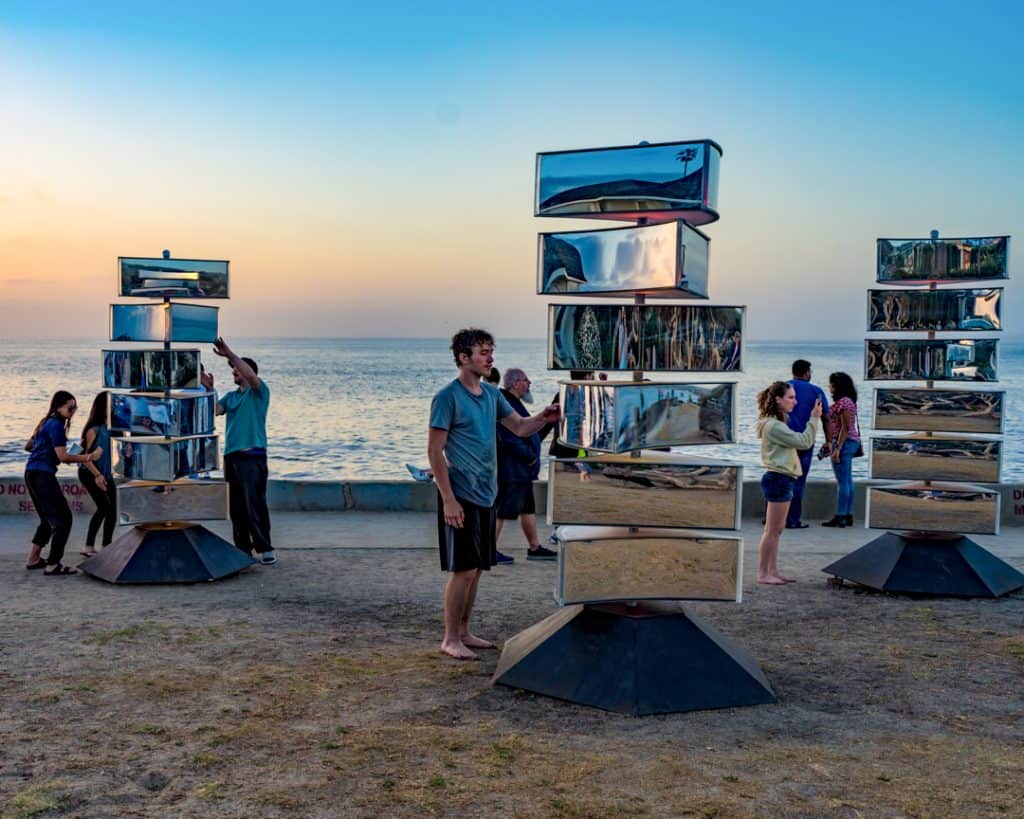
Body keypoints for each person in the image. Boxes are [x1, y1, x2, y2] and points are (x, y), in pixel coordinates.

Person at [428, 328, 559, 660]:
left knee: (478, 569)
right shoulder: (447, 398)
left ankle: (464, 631)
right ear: (463, 357)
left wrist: (544, 417)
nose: (490, 358)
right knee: (464, 570)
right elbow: (434, 452)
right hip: (462, 493)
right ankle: (449, 638)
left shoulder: (491, 395)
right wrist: (449, 499)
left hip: (488, 493)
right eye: (483, 352)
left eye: (491, 351)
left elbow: (519, 426)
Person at [201, 337, 274, 564]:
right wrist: (209, 389)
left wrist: (231, 355)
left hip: (252, 456)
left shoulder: (259, 392)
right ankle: (243, 550)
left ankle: (265, 549)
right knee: (237, 508)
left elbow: (251, 377)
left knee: (255, 504)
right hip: (232, 457)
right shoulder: (232, 397)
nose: (234, 372)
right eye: (233, 369)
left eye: (237, 369)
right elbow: (215, 410)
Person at [23, 391, 103, 575]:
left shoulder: (45, 422)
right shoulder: (57, 425)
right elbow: (63, 456)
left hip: (31, 473)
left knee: (46, 519)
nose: (73, 411)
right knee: (64, 519)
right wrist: (89, 456)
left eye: (75, 407)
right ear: (59, 406)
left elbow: (29, 446)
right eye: (70, 407)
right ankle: (53, 564)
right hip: (43, 475)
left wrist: (44, 452)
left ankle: (33, 559)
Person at [754, 381, 822, 585]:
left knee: (777, 530)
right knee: (772, 530)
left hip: (782, 478)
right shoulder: (773, 426)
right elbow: (804, 442)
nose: (795, 401)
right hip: (779, 479)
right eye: (790, 398)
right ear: (778, 400)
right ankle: (763, 573)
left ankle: (772, 571)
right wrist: (814, 419)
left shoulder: (775, 423)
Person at [495, 368, 557, 561]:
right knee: (502, 510)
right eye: (525, 380)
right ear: (515, 384)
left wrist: (548, 421)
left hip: (522, 470)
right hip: (513, 470)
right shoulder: (505, 404)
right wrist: (529, 456)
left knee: (527, 508)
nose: (529, 383)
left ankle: (534, 547)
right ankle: (488, 550)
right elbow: (508, 437)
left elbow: (531, 433)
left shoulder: (513, 403)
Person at [785, 360, 830, 529]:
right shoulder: (816, 391)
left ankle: (772, 517)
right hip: (805, 442)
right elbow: (826, 418)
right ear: (806, 373)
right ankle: (792, 520)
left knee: (779, 477)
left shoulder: (783, 388)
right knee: (798, 481)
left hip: (783, 440)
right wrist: (828, 441)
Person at [78, 392, 116, 557]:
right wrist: (97, 476)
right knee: (103, 507)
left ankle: (107, 546)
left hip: (107, 474)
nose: (116, 406)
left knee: (113, 511)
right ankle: (88, 546)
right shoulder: (93, 430)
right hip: (89, 473)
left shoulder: (114, 428)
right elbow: (86, 459)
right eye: (112, 403)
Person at [822, 371, 862, 528]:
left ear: (836, 386)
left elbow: (845, 427)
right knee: (848, 481)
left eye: (831, 384)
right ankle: (848, 514)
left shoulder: (844, 403)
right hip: (850, 442)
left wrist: (837, 447)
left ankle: (840, 516)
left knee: (843, 482)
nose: (829, 387)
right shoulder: (849, 401)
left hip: (845, 443)